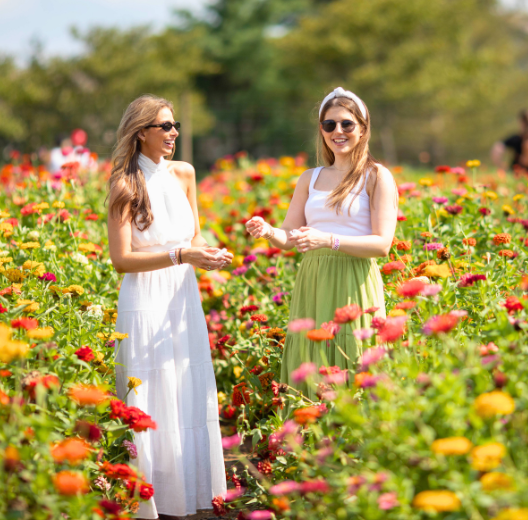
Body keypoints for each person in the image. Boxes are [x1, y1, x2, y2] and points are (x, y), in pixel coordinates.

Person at [107, 95, 231, 519]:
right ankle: (151, 500)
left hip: (182, 295)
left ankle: (187, 493)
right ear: (141, 132)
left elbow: (192, 238)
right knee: (150, 392)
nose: (174, 132)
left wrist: (206, 254)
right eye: (164, 126)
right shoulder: (126, 185)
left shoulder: (185, 174)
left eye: (175, 124)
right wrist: (182, 255)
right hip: (144, 297)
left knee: (184, 386)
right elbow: (121, 260)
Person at [246, 87, 398, 400]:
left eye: (347, 124)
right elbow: (290, 236)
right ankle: (308, 440)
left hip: (355, 279)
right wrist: (268, 230)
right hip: (313, 279)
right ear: (321, 130)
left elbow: (383, 244)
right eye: (329, 125)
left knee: (353, 355)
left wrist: (328, 239)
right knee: (311, 359)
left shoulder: (376, 176)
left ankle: (355, 443)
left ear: (363, 128)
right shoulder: (309, 178)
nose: (337, 131)